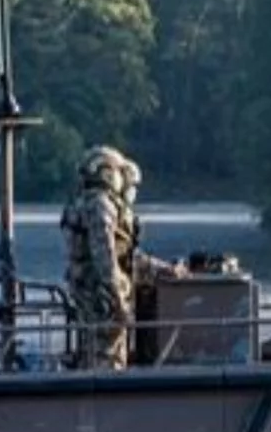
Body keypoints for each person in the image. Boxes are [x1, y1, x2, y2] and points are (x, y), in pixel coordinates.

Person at [59, 145, 180, 370]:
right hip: (101, 296)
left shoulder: (85, 203)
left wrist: (165, 269)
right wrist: (116, 298)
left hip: (92, 290)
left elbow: (125, 256)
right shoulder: (101, 206)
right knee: (107, 354)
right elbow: (104, 256)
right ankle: (105, 394)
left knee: (101, 349)